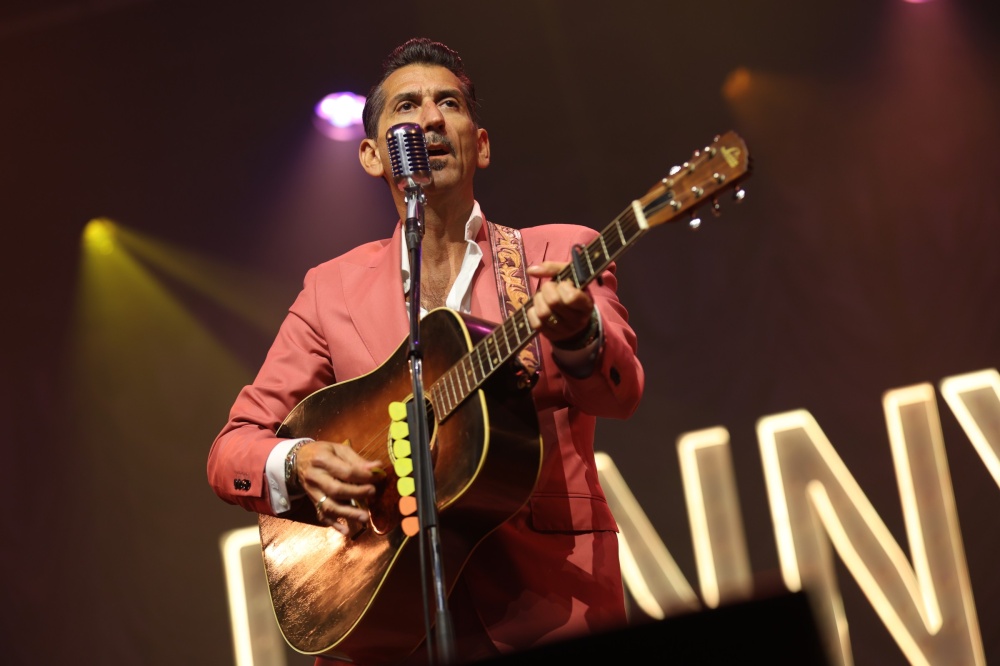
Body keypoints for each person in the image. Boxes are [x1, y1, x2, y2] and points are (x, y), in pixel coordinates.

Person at [207, 37, 644, 665]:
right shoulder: (331, 291)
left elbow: (620, 392)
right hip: (386, 626)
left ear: (481, 144)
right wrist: (301, 461)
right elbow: (232, 448)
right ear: (371, 154)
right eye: (406, 107)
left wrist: (579, 334)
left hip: (549, 605)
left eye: (449, 104)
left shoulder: (556, 254)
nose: (430, 119)